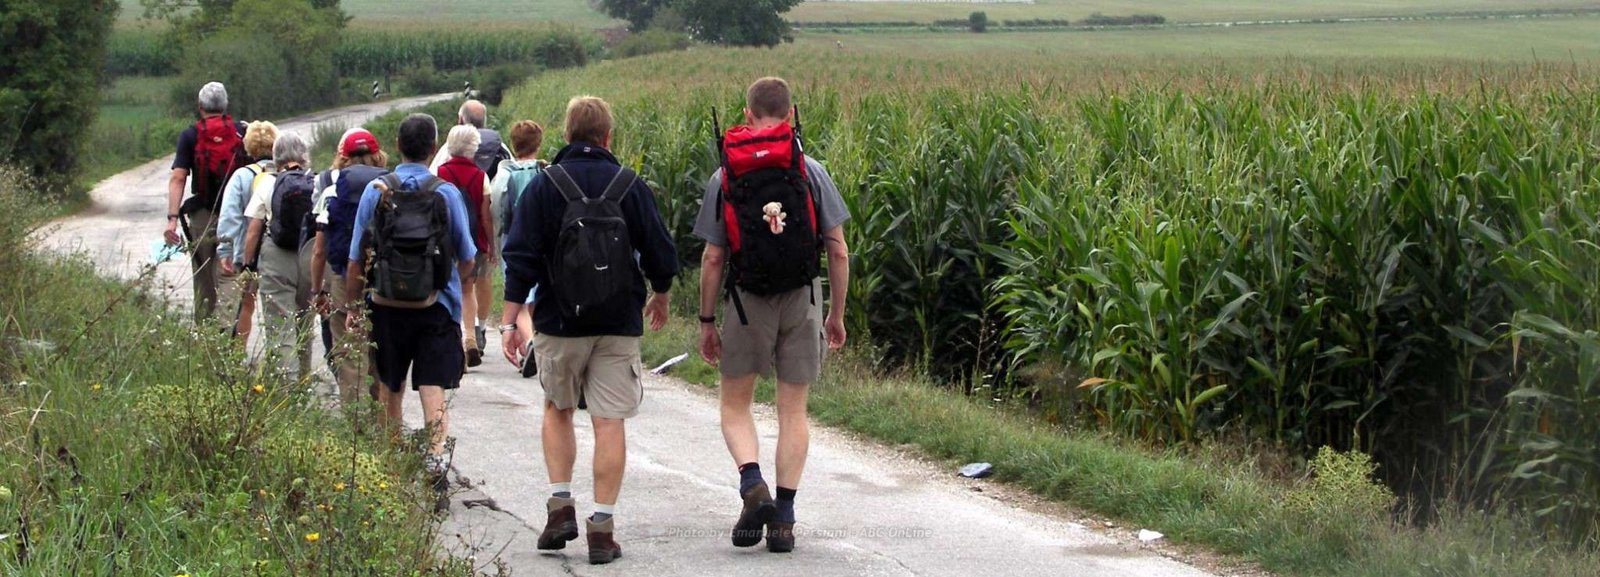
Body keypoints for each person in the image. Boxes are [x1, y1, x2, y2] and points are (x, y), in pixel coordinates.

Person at [500, 96, 679, 566]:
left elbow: (520, 256)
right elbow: (661, 252)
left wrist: (509, 320)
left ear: (567, 133)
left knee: (558, 409)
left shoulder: (546, 186)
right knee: (609, 421)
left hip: (560, 320)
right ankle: (602, 528)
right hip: (618, 322)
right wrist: (659, 294)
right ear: (607, 137)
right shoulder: (629, 185)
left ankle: (560, 508)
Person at [694, 77, 852, 554]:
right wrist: (837, 315)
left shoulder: (726, 176)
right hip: (802, 297)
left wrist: (705, 321)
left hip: (747, 301)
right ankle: (782, 518)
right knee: (792, 411)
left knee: (735, 405)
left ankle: (751, 482)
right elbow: (839, 251)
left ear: (747, 114)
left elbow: (713, 258)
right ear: (791, 112)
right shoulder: (811, 170)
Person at [345, 113, 477, 499]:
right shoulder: (446, 192)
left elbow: (356, 257)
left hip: (385, 304)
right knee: (432, 387)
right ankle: (435, 465)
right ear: (433, 149)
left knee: (390, 385)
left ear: (398, 146)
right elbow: (467, 255)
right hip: (436, 306)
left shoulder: (377, 189)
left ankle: (390, 470)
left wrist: (355, 306)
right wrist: (456, 282)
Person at [309, 128, 389, 406]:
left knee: (349, 352)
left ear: (342, 158)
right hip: (387, 279)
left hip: (345, 277)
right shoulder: (391, 185)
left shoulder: (332, 191)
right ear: (378, 156)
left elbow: (319, 250)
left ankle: (356, 426)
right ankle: (383, 421)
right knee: (380, 350)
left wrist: (317, 289)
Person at [163, 81, 249, 322]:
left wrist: (172, 220)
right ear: (225, 105)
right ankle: (228, 329)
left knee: (202, 273)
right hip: (236, 215)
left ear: (199, 106)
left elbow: (178, 177)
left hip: (202, 214)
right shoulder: (242, 131)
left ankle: (205, 333)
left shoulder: (190, 135)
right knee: (230, 272)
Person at [242, 132, 318, 380]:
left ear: (276, 157)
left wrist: (247, 264)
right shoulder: (317, 182)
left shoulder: (267, 183)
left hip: (277, 257)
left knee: (280, 324)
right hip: (308, 256)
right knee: (305, 321)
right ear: (304, 155)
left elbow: (254, 230)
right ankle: (303, 385)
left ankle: (286, 385)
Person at [434, 125, 495, 369]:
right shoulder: (481, 176)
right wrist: (490, 244)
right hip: (473, 242)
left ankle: (455, 341)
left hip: (444, 242)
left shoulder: (439, 173)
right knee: (468, 289)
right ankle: (470, 336)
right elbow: (485, 215)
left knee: (447, 290)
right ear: (473, 148)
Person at [490, 120, 547, 376]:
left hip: (512, 243)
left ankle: (532, 341)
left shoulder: (505, 174)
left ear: (513, 144)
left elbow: (497, 211)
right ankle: (538, 343)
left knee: (521, 301)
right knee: (536, 298)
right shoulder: (546, 172)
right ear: (539, 143)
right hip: (543, 246)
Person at [216, 121, 278, 342]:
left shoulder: (241, 176)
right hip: (278, 253)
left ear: (249, 147)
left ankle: (238, 356)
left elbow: (229, 216)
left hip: (247, 253)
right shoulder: (283, 175)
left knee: (246, 304)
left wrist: (226, 249)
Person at [431, 99, 511, 179]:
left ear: (460, 120)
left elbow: (433, 175)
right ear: (484, 121)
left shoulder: (451, 146)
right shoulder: (498, 145)